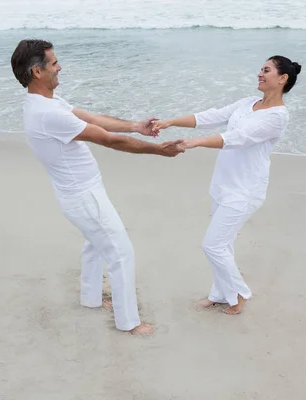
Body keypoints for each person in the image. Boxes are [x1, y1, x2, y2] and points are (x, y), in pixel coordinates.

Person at [11, 39, 184, 335]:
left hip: (82, 192)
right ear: (37, 72)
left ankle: (90, 298)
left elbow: (91, 119)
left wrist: (136, 126)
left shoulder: (47, 103)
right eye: (54, 63)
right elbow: (107, 139)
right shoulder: (47, 113)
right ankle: (129, 321)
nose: (59, 66)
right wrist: (159, 151)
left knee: (96, 244)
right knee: (121, 253)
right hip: (83, 196)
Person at [153, 56, 301, 315]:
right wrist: (170, 121)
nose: (259, 73)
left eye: (266, 70)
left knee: (213, 245)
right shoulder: (248, 103)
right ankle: (220, 294)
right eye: (260, 69)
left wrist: (194, 142)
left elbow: (238, 138)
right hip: (223, 186)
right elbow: (212, 116)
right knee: (224, 245)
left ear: (282, 78)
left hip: (245, 191)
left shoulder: (277, 117)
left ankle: (240, 294)